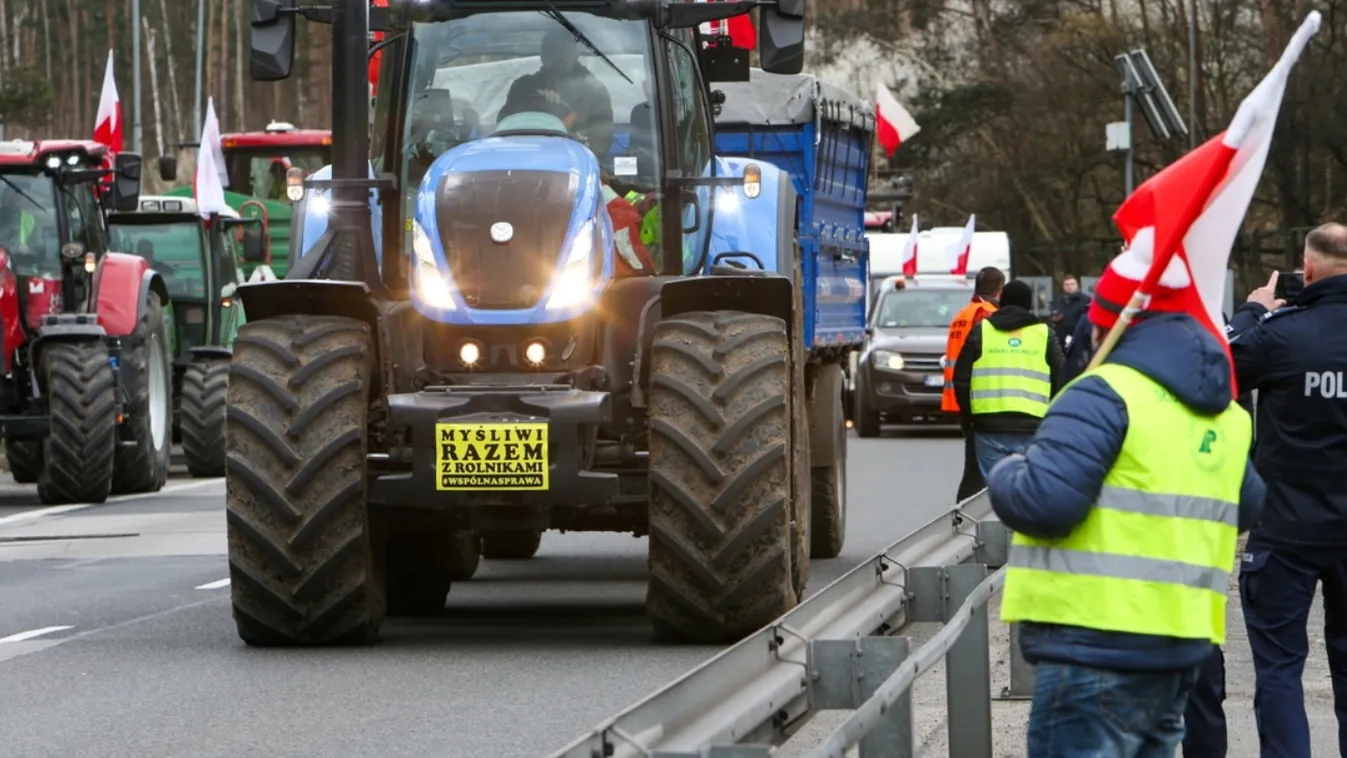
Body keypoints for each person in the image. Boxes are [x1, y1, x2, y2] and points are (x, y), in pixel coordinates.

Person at [987, 246, 1265, 757]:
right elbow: (1246, 504)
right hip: (1180, 648)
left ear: (1106, 326)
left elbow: (1045, 502)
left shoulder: (1101, 393)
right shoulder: (1224, 412)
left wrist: (1005, 472)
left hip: (1092, 647)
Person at [1226, 222, 1347, 758]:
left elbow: (1215, 370)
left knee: (1278, 668)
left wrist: (1254, 311)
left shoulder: (1280, 333)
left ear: (1309, 270)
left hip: (1284, 528)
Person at [952, 279, 1065, 476]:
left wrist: (970, 416)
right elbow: (1062, 377)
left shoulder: (982, 331)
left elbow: (961, 378)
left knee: (991, 493)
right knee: (1029, 489)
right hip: (1034, 426)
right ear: (1029, 304)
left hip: (989, 426)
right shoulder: (1044, 334)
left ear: (1001, 302)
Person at [941, 265, 1003, 500]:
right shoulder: (985, 314)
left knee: (975, 463)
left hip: (962, 397)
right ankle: (965, 513)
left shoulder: (962, 314)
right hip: (979, 398)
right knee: (977, 468)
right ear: (999, 289)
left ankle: (966, 512)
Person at [504, 28, 614, 157]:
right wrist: (537, 106)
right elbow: (504, 126)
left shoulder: (595, 91)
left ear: (576, 55)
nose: (558, 56)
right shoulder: (522, 87)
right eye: (552, 51)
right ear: (542, 56)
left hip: (577, 163)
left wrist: (561, 117)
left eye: (564, 50)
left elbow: (601, 142)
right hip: (527, 159)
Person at [1049, 273, 1089, 347]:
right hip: (1061, 339)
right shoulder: (1057, 301)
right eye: (1067, 285)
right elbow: (1051, 317)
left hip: (1079, 339)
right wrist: (1054, 318)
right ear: (1063, 286)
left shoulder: (1086, 301)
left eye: (1072, 284)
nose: (1069, 287)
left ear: (1077, 285)